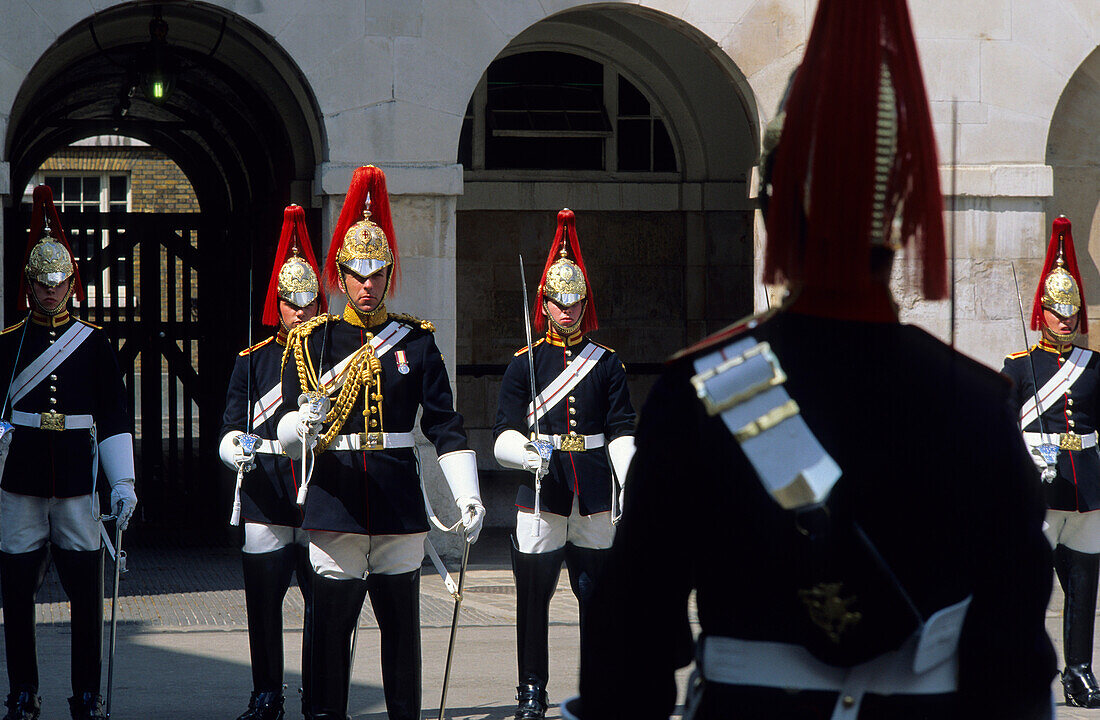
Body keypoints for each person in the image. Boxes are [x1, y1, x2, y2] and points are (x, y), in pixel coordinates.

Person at [564, 0, 1057, 718]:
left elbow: (628, 655)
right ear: (903, 209)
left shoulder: (704, 393)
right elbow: (1012, 665)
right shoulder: (978, 402)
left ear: (774, 204)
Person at [275, 165, 485, 720]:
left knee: (402, 638)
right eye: (357, 274)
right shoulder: (310, 342)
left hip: (396, 499)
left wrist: (467, 495)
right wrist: (307, 422)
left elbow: (445, 424)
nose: (367, 285)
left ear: (389, 275)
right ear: (340, 276)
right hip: (337, 499)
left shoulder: (416, 342)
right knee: (328, 639)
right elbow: (288, 437)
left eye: (377, 274)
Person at [0, 185, 138, 720]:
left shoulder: (94, 343)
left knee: (86, 593)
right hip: (22, 477)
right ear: (30, 284)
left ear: (71, 284)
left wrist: (121, 481)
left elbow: (114, 416)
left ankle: (85, 691)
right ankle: (23, 690)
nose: (52, 291)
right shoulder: (8, 343)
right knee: (16, 591)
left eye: (60, 283)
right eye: (43, 282)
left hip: (78, 480)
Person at [493, 208, 636, 720]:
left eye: (576, 302)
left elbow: (621, 426)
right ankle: (531, 687)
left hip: (594, 489)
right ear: (545, 304)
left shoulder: (607, 362)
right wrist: (524, 452)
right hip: (542, 489)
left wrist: (627, 472)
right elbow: (504, 429)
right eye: (560, 302)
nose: (569, 310)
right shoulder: (523, 363)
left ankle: (601, 683)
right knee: (533, 601)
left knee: (598, 598)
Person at [219, 204, 326, 720]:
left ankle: (316, 694)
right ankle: (266, 694)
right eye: (292, 304)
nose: (302, 313)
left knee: (321, 605)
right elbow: (230, 424)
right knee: (263, 603)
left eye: (309, 303)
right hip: (265, 490)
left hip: (318, 488)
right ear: (278, 306)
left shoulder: (335, 355)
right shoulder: (253, 359)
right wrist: (233, 446)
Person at [1002, 215, 1100, 708]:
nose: (1067, 319)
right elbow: (1001, 427)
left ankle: (1079, 672)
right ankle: (1019, 667)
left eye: (1073, 311)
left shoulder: (1095, 366)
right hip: (1039, 489)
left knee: (1084, 589)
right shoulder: (1019, 366)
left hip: (1087, 491)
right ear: (1042, 311)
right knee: (1027, 588)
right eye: (1058, 311)